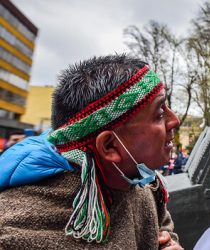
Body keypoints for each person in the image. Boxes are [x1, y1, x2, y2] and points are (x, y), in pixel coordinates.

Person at [0, 55, 183, 250]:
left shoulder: (144, 184)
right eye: (160, 113)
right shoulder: (15, 235)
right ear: (109, 146)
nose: (175, 121)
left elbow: (164, 230)